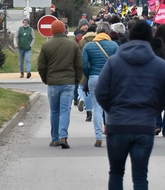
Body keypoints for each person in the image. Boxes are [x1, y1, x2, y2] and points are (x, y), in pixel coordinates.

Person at [95, 21, 165, 190]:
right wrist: (153, 111)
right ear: (150, 39)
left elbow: (100, 92)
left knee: (115, 173)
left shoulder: (114, 63)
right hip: (144, 125)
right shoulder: (160, 65)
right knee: (140, 176)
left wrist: (112, 110)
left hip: (118, 124)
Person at [38, 20, 83, 149]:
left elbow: (41, 66)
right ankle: (63, 136)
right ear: (64, 30)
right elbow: (79, 65)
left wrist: (46, 79)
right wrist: (76, 80)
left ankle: (54, 139)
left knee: (54, 112)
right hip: (68, 82)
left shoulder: (46, 46)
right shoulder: (72, 45)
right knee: (65, 110)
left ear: (52, 31)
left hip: (53, 82)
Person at [83, 22, 118, 147]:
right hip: (109, 78)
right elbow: (118, 63)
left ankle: (98, 136)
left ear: (97, 32)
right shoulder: (114, 45)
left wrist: (89, 75)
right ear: (108, 32)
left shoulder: (89, 46)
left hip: (93, 77)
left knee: (96, 108)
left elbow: (84, 64)